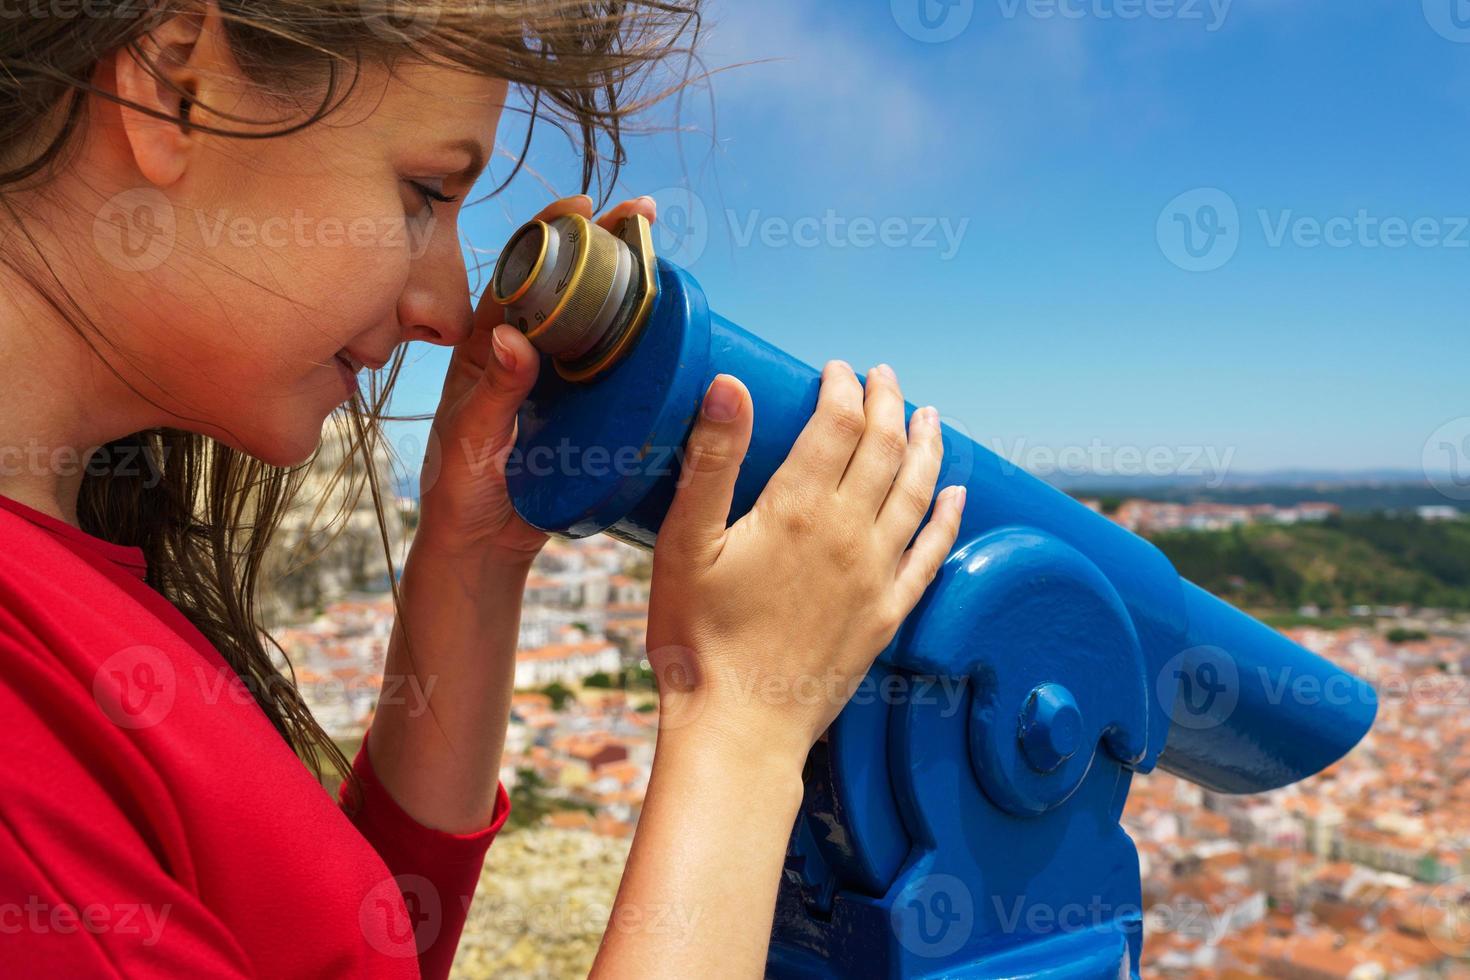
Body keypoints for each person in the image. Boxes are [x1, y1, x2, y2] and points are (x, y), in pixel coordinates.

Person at [0, 2, 966, 976]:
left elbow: (344, 946)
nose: (448, 308)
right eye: (425, 189)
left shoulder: (64, 583)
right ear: (173, 86)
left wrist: (475, 552)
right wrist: (744, 727)